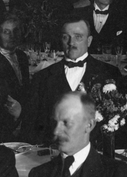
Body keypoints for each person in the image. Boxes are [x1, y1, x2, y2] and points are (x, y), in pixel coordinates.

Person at [20, 15, 119, 144]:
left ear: (89, 41)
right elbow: (30, 127)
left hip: (96, 155)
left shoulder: (109, 74)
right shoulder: (42, 78)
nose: (71, 43)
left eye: (78, 37)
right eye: (66, 37)